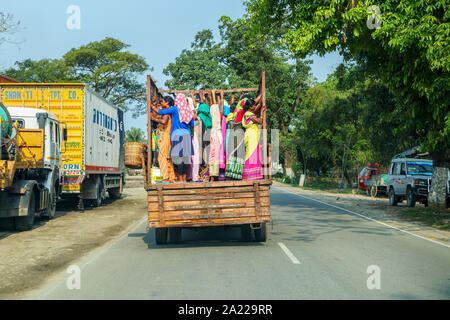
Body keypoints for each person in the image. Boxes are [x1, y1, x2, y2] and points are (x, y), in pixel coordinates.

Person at [157, 93, 195, 183]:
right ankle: (184, 179)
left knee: (178, 159)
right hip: (186, 135)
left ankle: (180, 179)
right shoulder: (188, 111)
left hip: (176, 136)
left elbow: (160, 112)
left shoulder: (174, 109)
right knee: (185, 159)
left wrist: (152, 106)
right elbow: (192, 124)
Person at [151, 96, 176, 183]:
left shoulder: (167, 113)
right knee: (167, 158)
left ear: (167, 103)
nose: (160, 103)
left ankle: (165, 177)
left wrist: (154, 119)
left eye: (162, 102)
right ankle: (171, 177)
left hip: (164, 137)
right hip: (165, 137)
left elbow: (164, 121)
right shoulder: (167, 111)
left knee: (162, 157)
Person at [242, 102, 264, 180]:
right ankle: (249, 175)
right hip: (251, 136)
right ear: (250, 107)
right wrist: (262, 114)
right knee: (251, 154)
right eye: (253, 106)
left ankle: (253, 175)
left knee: (254, 154)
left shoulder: (249, 113)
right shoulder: (248, 113)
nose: (255, 107)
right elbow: (259, 121)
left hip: (252, 136)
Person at [208, 104, 222, 181]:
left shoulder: (212, 119)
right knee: (215, 157)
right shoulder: (218, 119)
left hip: (214, 136)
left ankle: (213, 177)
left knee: (213, 157)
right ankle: (213, 176)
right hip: (217, 136)